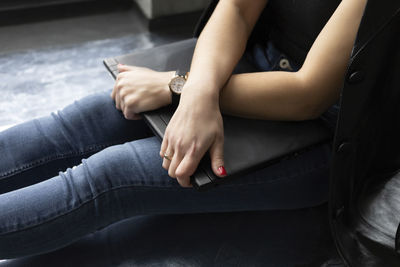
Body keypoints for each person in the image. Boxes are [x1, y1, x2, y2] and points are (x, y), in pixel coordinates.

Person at [0, 0, 367, 259]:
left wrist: (174, 86)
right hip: (248, 65)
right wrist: (196, 90)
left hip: (324, 133)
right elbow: (237, 10)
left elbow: (309, 93)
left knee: (110, 178)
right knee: (85, 120)